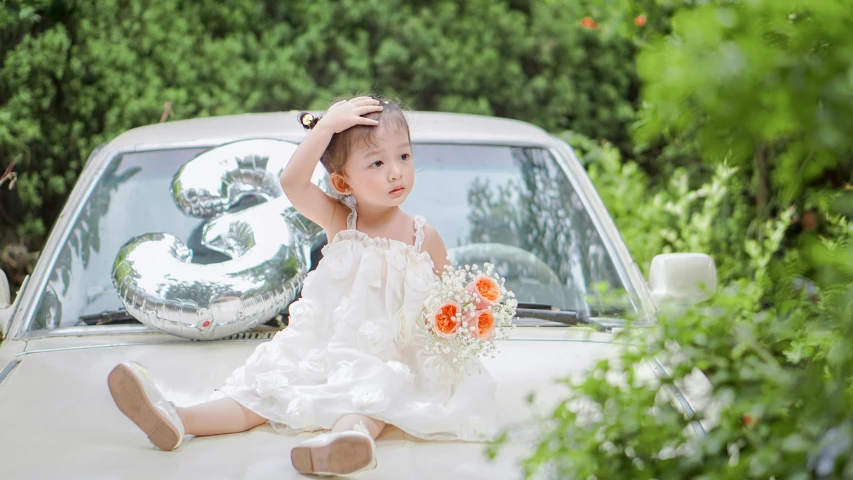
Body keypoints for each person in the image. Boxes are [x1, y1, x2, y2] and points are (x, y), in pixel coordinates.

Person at [107, 96, 497, 476]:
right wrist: (326, 126)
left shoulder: (421, 236)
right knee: (263, 391)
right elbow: (292, 182)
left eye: (404, 156)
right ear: (343, 181)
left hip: (387, 358)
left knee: (372, 396)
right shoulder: (340, 219)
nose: (396, 172)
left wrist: (467, 312)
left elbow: (443, 303)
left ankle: (348, 443)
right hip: (322, 348)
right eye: (377, 162)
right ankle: (178, 418)